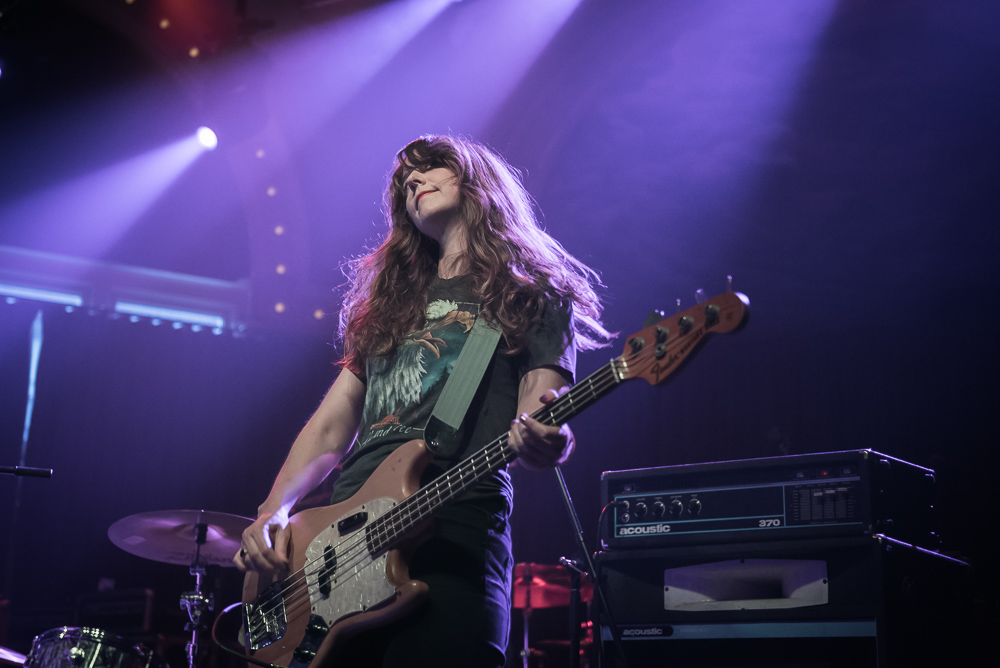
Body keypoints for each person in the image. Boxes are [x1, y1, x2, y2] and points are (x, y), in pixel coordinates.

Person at [234, 135, 612, 667]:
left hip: (452, 531)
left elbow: (541, 404)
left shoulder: (531, 291)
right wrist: (275, 511)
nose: (414, 180)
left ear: (479, 181)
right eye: (404, 181)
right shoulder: (391, 303)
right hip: (337, 543)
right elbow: (330, 426)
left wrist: (547, 436)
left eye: (433, 166)